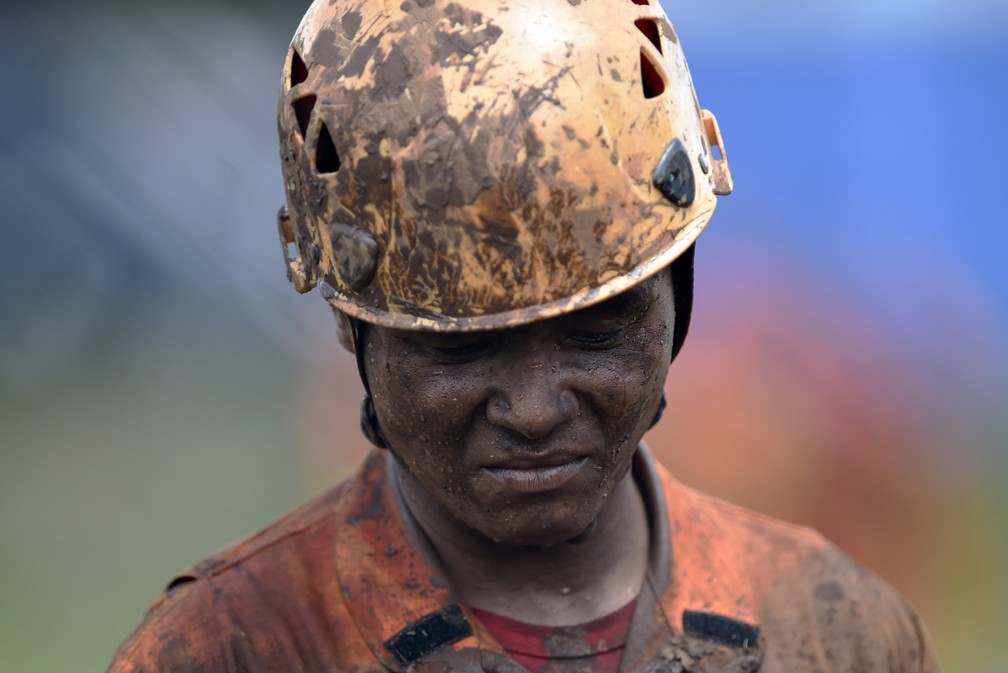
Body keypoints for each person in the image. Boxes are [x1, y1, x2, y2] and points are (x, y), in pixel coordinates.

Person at [108, 0, 940, 671]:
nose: (537, 410)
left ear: (674, 300)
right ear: (352, 328)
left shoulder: (840, 631)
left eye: (599, 330)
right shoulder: (232, 646)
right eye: (460, 347)